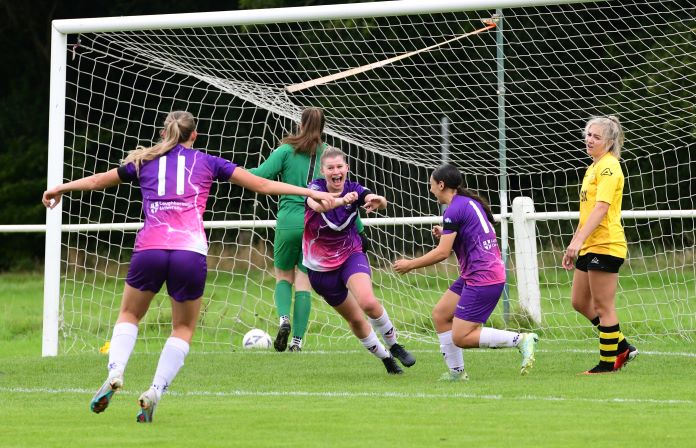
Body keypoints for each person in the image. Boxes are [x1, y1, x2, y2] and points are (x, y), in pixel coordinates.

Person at [42, 111, 336, 423]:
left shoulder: (144, 161)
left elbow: (99, 181)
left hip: (150, 249)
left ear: (163, 133)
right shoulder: (207, 161)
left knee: (129, 315)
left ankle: (116, 372)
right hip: (189, 253)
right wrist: (311, 191)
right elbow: (262, 184)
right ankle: (155, 390)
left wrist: (60, 188)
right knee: (182, 328)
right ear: (193, 136)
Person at [393, 163, 538, 380]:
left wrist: (410, 264)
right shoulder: (466, 202)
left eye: (432, 185)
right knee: (441, 315)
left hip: (484, 278)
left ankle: (521, 340)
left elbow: (442, 253)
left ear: (441, 185)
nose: (430, 189)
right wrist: (446, 231)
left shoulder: (453, 209)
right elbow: (471, 232)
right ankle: (457, 374)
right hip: (478, 274)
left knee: (461, 337)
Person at [250, 107, 370, 353]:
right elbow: (346, 197)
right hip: (315, 226)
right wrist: (360, 230)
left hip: (287, 221)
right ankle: (297, 342)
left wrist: (230, 171)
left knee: (283, 276)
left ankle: (284, 319)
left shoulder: (285, 150)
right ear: (324, 125)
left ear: (300, 124)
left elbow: (260, 176)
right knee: (304, 282)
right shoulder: (329, 157)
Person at [303, 147, 415, 374]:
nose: (336, 172)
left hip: (350, 254)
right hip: (320, 269)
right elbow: (318, 204)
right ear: (323, 172)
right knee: (355, 319)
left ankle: (394, 346)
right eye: (330, 168)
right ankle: (385, 359)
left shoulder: (354, 189)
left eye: (339, 167)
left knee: (368, 303)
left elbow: (378, 200)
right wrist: (341, 200)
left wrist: (377, 199)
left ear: (347, 169)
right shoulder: (314, 189)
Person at [562, 115, 638, 374]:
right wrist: (575, 243)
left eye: (596, 136)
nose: (590, 139)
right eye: (588, 134)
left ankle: (607, 365)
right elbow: (587, 212)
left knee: (604, 306)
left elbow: (602, 208)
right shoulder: (592, 167)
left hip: (606, 244)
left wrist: (580, 240)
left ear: (610, 141)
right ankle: (623, 346)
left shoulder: (609, 167)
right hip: (589, 245)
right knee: (579, 302)